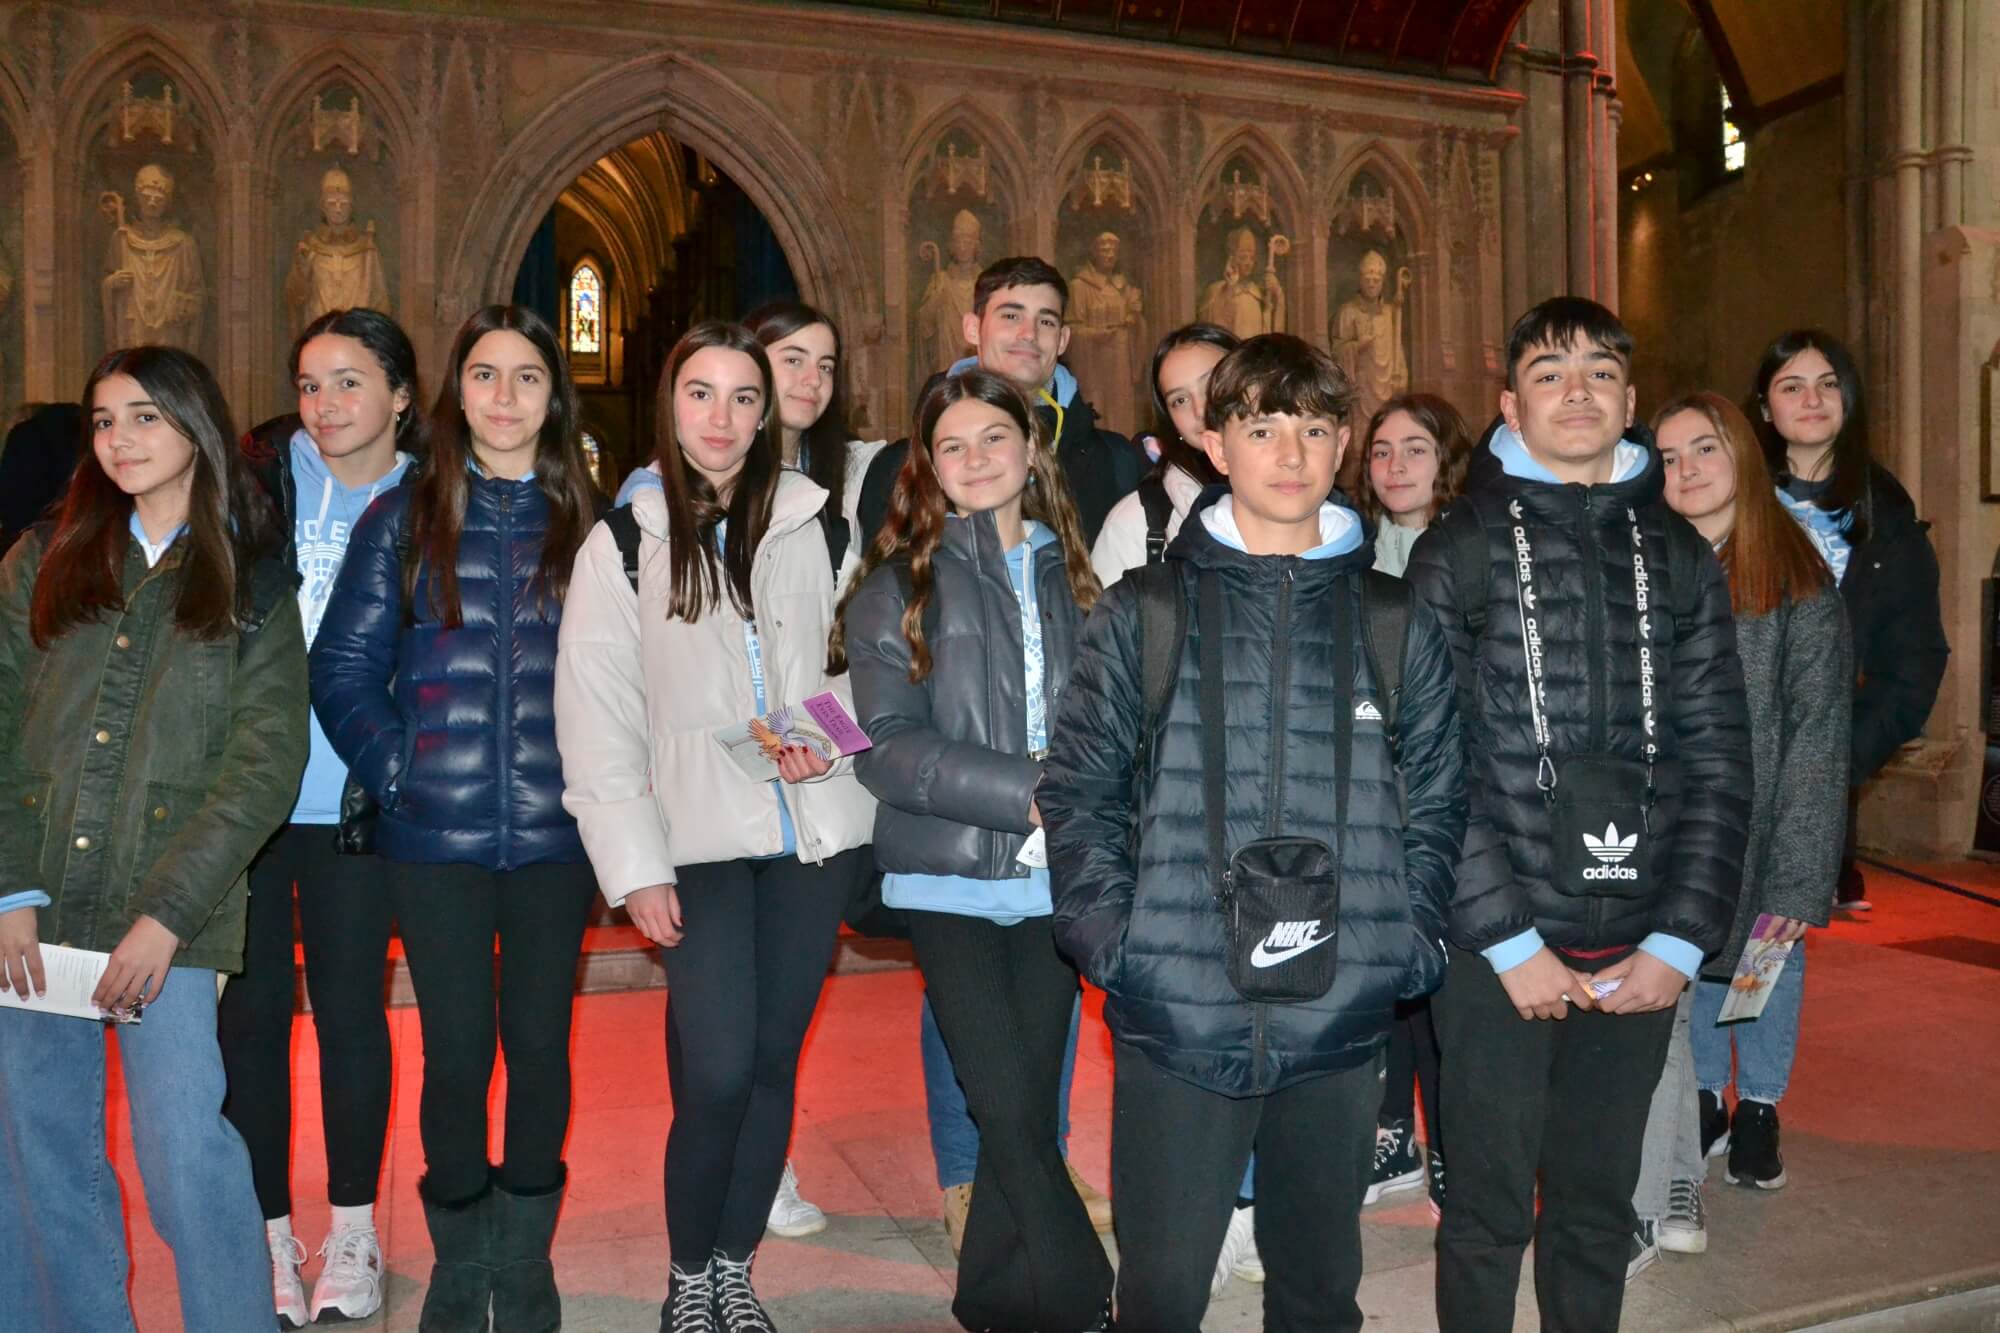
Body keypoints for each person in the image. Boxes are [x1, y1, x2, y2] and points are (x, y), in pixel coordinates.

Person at [1042, 333, 1467, 1332]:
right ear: (1215, 443)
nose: (1290, 453)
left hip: (1337, 1013)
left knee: (1319, 1292)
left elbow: (1439, 794)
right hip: (1179, 1013)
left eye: (1314, 430)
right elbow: (1079, 789)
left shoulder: (1392, 616)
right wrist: (1120, 945)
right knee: (1160, 1292)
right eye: (1263, 428)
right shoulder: (1146, 608)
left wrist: (1402, 943)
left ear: (1342, 446)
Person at [1404, 297, 1753, 1329]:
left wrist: (1679, 939)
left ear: (1629, 400)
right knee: (1484, 1211)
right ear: (1509, 403)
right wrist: (1507, 941)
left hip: (1638, 945)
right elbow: (1424, 760)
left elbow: (1718, 757)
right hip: (1494, 953)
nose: (1577, 391)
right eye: (1549, 373)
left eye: (1600, 371)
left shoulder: (1679, 554)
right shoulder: (1457, 548)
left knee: (1597, 1210)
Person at [558, 321, 874, 1331]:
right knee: (719, 1067)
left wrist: (821, 737)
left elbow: (866, 668)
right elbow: (597, 719)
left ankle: (735, 1268)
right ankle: (688, 1273)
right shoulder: (623, 541)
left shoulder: (822, 524)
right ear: (670, 404)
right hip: (693, 841)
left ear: (766, 410)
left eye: (743, 396)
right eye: (701, 393)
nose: (722, 417)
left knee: (773, 1065)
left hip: (811, 837)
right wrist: (634, 866)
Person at [0, 345, 309, 1331]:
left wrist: (166, 917)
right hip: (36, 903)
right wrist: (9, 892)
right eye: (104, 420)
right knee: (42, 1150)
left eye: (144, 416)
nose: (120, 439)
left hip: (171, 912)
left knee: (187, 1155)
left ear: (196, 427)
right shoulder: (41, 558)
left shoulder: (252, 578)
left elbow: (264, 765)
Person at [311, 305, 601, 1332]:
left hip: (557, 836)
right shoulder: (404, 515)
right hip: (433, 837)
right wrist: (401, 770)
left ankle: (523, 1262)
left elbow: (628, 679)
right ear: (455, 392)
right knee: (458, 1051)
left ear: (553, 399)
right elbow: (341, 667)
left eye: (527, 377)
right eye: (485, 374)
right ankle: (458, 1255)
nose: (504, 396)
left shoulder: (591, 524)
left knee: (540, 1046)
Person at [837, 368, 1114, 1332]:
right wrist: (1030, 790)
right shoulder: (895, 587)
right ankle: (1085, 1291)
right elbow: (886, 747)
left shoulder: (1078, 581)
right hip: (947, 877)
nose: (976, 458)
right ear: (928, 467)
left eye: (994, 436)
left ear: (1032, 448)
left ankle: (990, 1297)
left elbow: (1113, 723)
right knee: (1004, 1101)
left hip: (1058, 883)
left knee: (1023, 1108)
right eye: (951, 445)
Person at [217, 308, 424, 1327]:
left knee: (349, 1014)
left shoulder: (432, 499)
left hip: (353, 799)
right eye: (309, 384)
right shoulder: (254, 486)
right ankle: (265, 1233)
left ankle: (351, 1229)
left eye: (349, 382)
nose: (325, 405)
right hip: (247, 797)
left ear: (400, 395)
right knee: (248, 1020)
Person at [1631, 392, 1851, 1260]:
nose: (1685, 469)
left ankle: (1757, 1103)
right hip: (1670, 826)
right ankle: (1699, 1106)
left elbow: (1817, 737)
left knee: (1764, 956)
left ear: (1743, 459)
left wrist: (1800, 872)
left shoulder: (1797, 581)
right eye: (1668, 456)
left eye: (1704, 449)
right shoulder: (1648, 565)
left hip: (1764, 822)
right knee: (1682, 970)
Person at [1752, 330, 1948, 912]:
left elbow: (1913, 662)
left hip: (1815, 780)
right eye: (1792, 386)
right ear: (1765, 407)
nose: (1812, 399)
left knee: (1773, 950)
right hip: (1717, 769)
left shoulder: (1887, 517)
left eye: (1828, 384)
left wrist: (1840, 759)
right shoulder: (1726, 497)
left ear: (1849, 398)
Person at [1357, 391, 1473, 1221]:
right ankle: (1391, 1132)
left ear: (1448, 460)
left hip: (1441, 789)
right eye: (1381, 450)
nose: (1394, 466)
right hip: (1369, 793)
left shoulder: (1469, 552)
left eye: (1415, 449)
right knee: (1384, 980)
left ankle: (1455, 1151)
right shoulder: (1348, 549)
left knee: (1442, 987)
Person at [859, 255, 1147, 547]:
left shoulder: (1116, 462)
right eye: (1011, 316)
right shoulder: (899, 468)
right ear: (973, 328)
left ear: (1062, 340)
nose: (1029, 334)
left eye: (1046, 321)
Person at [1090, 322, 1235, 586]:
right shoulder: (1135, 523)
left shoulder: (1302, 490)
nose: (1200, 410)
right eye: (1180, 400)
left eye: (1212, 384)